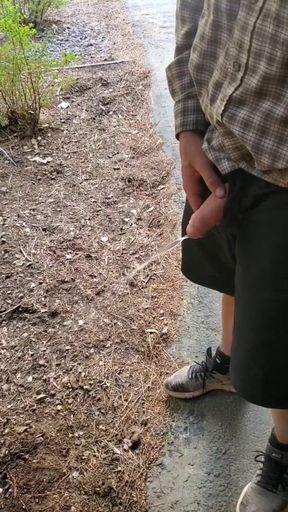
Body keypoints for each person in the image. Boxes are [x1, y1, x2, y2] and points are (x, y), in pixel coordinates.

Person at [165, 1, 288, 511]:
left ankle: (285, 450)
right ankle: (227, 362)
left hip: (281, 175)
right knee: (229, 268)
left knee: (278, 326)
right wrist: (189, 124)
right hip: (217, 144)